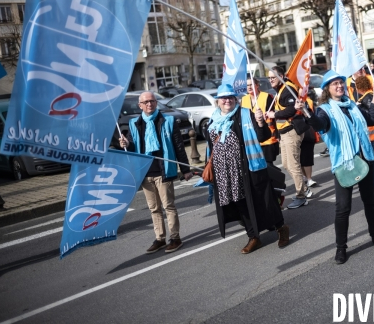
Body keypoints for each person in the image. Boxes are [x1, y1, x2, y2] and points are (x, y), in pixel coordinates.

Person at [298, 70, 374, 264]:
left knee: (369, 201)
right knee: (343, 207)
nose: (339, 86)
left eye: (340, 83)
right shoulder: (325, 110)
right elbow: (318, 124)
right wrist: (306, 111)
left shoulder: (353, 106)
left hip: (365, 159)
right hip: (345, 163)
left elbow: (371, 120)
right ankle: (341, 248)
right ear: (327, 90)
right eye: (334, 84)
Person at [205, 84, 290, 254]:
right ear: (218, 101)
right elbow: (210, 145)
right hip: (225, 173)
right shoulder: (213, 119)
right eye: (224, 98)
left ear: (235, 99)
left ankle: (281, 228)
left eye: (230, 97)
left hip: (248, 167)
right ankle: (254, 237)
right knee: (240, 204)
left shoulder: (244, 114)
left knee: (263, 200)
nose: (227, 100)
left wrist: (260, 122)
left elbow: (263, 136)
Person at [120, 91, 193, 254]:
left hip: (163, 170)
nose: (149, 104)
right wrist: (125, 143)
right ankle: (160, 238)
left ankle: (175, 238)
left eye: (152, 101)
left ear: (156, 103)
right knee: (154, 208)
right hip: (145, 172)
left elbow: (179, 146)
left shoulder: (168, 120)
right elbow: (132, 146)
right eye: (145, 102)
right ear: (140, 105)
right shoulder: (135, 123)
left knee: (169, 206)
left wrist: (186, 170)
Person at [266, 66, 309, 209]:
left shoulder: (287, 89)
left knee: (293, 164)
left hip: (292, 131)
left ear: (281, 76)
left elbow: (292, 109)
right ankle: (303, 186)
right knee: (286, 164)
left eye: (273, 77)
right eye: (269, 77)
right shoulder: (279, 90)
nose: (271, 80)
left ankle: (301, 195)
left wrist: (274, 114)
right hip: (284, 133)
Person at [241, 76, 279, 165]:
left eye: (251, 84)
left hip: (267, 138)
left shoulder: (266, 97)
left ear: (257, 85)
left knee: (269, 166)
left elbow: (274, 116)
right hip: (252, 138)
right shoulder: (244, 99)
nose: (249, 87)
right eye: (247, 85)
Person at [301, 98, 318, 190]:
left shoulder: (308, 101)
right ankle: (304, 177)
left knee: (307, 156)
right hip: (295, 131)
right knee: (299, 158)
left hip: (307, 131)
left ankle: (309, 178)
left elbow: (312, 115)